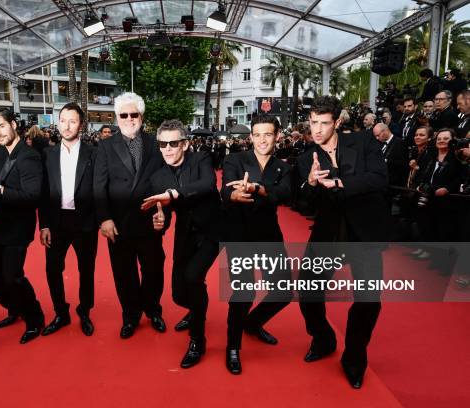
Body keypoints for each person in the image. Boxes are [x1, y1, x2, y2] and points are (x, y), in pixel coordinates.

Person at [296, 96, 390, 389]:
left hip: (362, 233)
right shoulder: (304, 159)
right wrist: (310, 184)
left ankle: (354, 357)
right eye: (314, 123)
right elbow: (303, 204)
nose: (318, 130)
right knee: (308, 291)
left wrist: (340, 183)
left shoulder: (363, 143)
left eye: (324, 123)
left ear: (336, 122)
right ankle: (323, 338)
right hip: (328, 235)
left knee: (369, 301)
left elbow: (379, 178)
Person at [142, 119, 222, 368]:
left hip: (213, 230)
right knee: (178, 294)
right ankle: (197, 308)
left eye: (173, 143)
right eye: (162, 144)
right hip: (185, 234)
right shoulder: (158, 176)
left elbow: (207, 185)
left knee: (193, 278)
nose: (167, 149)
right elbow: (162, 215)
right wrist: (159, 222)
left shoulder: (201, 160)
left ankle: (197, 339)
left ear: (185, 144)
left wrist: (174, 194)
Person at [220, 114, 293, 374]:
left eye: (268, 134)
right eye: (258, 134)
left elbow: (284, 193)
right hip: (239, 234)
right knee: (243, 293)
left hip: (268, 235)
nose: (262, 140)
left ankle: (252, 323)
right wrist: (235, 194)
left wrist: (258, 190)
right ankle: (233, 347)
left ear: (277, 137)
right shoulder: (234, 160)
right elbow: (225, 189)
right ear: (251, 136)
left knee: (284, 290)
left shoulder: (283, 167)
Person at [93, 92, 166, 339]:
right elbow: (98, 186)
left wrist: (161, 212)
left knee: (154, 270)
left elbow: (164, 180)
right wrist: (104, 218)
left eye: (133, 114)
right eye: (123, 115)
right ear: (116, 118)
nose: (129, 119)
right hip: (118, 223)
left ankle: (153, 310)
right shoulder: (104, 146)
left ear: (141, 116)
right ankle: (130, 315)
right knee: (124, 273)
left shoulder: (156, 144)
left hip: (149, 221)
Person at [0, 107, 45, 344]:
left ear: (14, 125)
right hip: (0, 222)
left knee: (12, 276)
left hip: (19, 224)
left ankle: (35, 318)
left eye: (1, 126)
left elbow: (32, 195)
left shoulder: (29, 156)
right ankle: (15, 306)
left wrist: (1, 191)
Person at [38, 103, 98, 337]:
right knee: (52, 269)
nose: (67, 125)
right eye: (63, 120)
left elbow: (100, 187)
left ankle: (85, 312)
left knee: (87, 270)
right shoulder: (47, 155)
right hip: (56, 222)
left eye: (72, 121)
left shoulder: (94, 152)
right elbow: (43, 192)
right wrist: (43, 223)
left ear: (81, 125)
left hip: (86, 222)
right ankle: (61, 313)